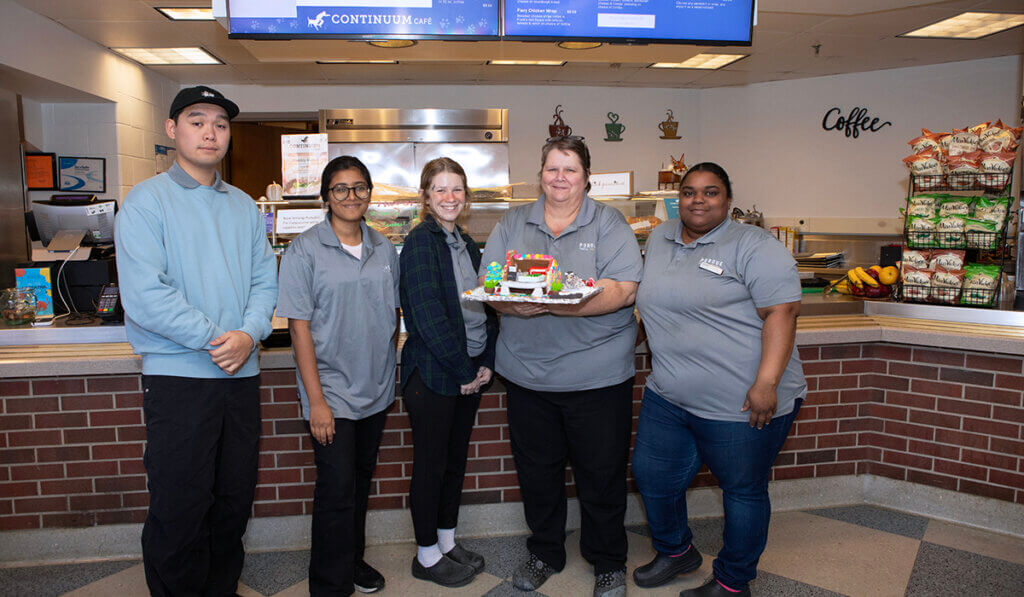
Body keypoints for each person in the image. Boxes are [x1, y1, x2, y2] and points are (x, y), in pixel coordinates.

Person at [114, 86, 278, 596]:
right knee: (181, 505)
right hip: (179, 379)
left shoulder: (244, 208)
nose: (210, 132)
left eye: (221, 124)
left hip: (240, 378)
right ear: (172, 129)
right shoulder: (146, 202)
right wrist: (218, 340)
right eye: (196, 120)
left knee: (232, 502)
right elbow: (145, 297)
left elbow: (264, 283)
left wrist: (249, 334)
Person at [632, 162, 806, 597]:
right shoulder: (659, 237)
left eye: (710, 192)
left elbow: (782, 313)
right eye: (689, 192)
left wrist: (766, 384)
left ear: (727, 199)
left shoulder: (753, 244)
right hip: (669, 395)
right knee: (652, 477)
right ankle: (676, 552)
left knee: (742, 492)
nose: (698, 200)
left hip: (741, 401)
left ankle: (732, 582)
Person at [480, 136, 643, 597]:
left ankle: (608, 559)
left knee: (602, 474)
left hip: (598, 377)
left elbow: (625, 289)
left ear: (586, 177)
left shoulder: (609, 223)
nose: (560, 178)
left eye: (570, 170)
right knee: (537, 474)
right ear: (541, 175)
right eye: (552, 169)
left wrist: (559, 304)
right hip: (528, 377)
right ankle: (545, 552)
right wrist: (514, 307)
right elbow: (490, 283)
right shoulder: (514, 222)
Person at [276, 156, 399, 596]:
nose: (351, 197)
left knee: (360, 483)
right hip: (332, 394)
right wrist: (317, 402)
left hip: (377, 390)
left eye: (360, 187)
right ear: (325, 196)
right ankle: (329, 584)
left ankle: (352, 561)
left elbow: (390, 315)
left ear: (370, 192)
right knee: (335, 491)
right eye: (341, 188)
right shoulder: (305, 250)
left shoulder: (384, 249)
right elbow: (299, 327)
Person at [399, 157, 499, 588]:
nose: (449, 197)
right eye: (439, 189)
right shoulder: (422, 243)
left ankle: (446, 541)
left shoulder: (466, 242)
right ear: (425, 197)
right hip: (435, 376)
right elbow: (427, 318)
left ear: (466, 195)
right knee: (431, 467)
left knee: (454, 464)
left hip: (468, 373)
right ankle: (425, 555)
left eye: (456, 189)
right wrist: (464, 370)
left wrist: (486, 362)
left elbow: (490, 304)